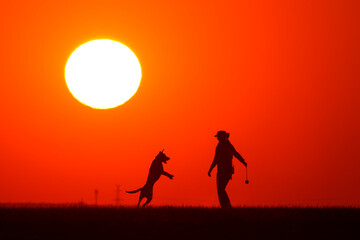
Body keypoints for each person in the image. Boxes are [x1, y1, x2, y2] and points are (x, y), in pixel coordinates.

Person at [208, 130, 247, 208]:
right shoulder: (228, 145)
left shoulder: (221, 146)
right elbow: (235, 154)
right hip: (227, 170)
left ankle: (226, 207)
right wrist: (243, 161)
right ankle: (226, 207)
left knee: (220, 189)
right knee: (221, 189)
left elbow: (216, 159)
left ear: (222, 137)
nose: (217, 138)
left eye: (218, 137)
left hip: (223, 171)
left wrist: (211, 169)